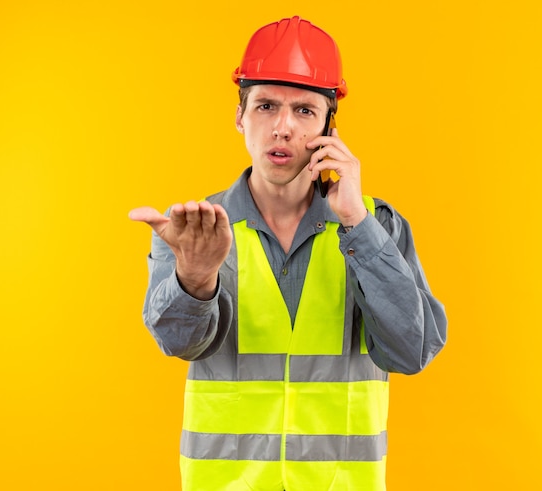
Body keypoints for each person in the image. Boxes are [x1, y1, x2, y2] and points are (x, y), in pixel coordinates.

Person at [129, 15, 447, 491]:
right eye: (265, 106)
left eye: (303, 111)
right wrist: (194, 278)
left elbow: (411, 351)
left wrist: (357, 225)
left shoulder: (376, 226)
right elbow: (179, 344)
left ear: (328, 127)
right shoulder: (194, 229)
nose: (282, 127)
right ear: (239, 117)